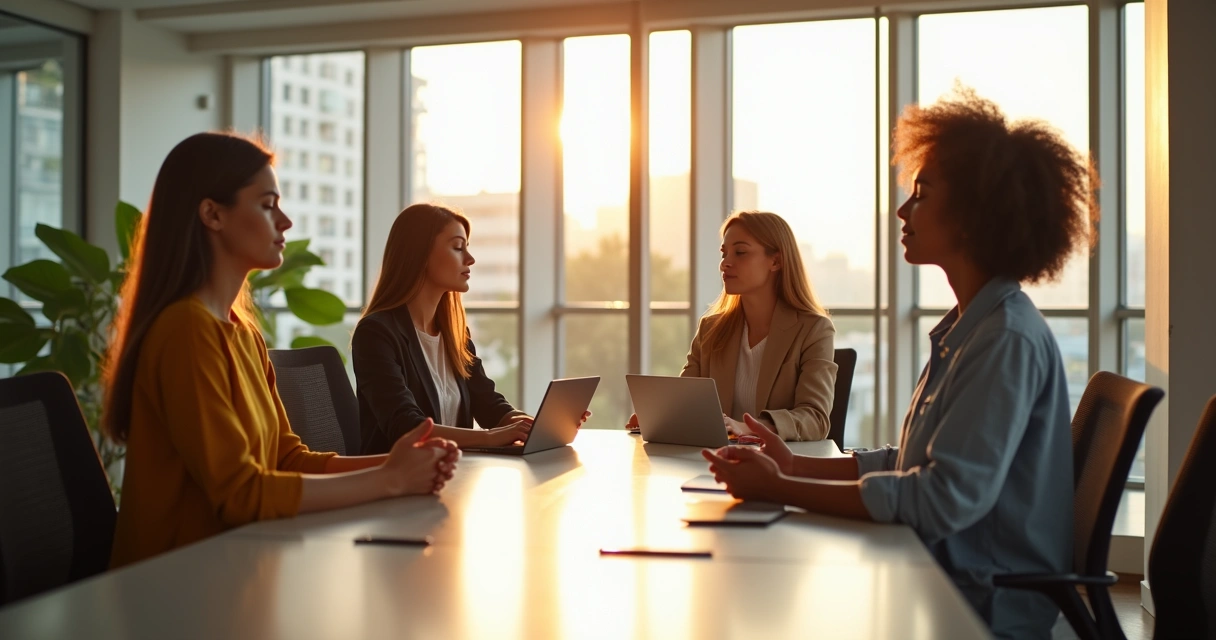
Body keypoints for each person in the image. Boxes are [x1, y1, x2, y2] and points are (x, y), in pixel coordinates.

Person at [702, 87, 1095, 639]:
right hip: (940, 572)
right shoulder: (969, 327)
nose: (903, 210)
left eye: (922, 194)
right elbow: (908, 462)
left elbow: (937, 500)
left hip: (976, 604)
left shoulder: (1003, 339)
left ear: (972, 216)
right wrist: (792, 466)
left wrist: (781, 488)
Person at [104, 132, 459, 568]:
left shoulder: (243, 334)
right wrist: (390, 480)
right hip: (175, 579)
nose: (286, 221)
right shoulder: (186, 331)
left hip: (237, 563)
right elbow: (240, 494)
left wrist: (399, 466)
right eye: (268, 205)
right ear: (213, 214)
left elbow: (288, 459)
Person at [352, 204, 588, 454]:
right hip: (400, 476)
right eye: (457, 247)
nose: (470, 259)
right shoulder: (376, 334)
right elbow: (406, 427)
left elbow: (489, 406)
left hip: (454, 471)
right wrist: (489, 438)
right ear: (420, 254)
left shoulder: (454, 333)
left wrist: (540, 426)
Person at [626, 210, 836, 441]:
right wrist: (659, 416)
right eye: (724, 253)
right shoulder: (710, 329)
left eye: (740, 252)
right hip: (716, 458)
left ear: (776, 261)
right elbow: (685, 403)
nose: (725, 263)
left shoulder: (814, 329)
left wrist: (750, 427)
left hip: (779, 460)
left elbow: (815, 418)